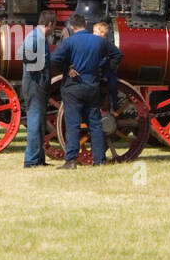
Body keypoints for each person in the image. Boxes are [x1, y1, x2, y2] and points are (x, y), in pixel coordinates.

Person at [50, 13, 123, 169]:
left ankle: (71, 161)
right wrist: (103, 69)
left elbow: (54, 58)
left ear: (71, 26)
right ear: (85, 24)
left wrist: (67, 69)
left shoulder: (69, 41)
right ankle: (99, 160)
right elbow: (117, 55)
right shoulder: (98, 41)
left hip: (73, 86)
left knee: (73, 124)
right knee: (95, 124)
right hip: (92, 85)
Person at [19, 10, 56, 167]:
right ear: (49, 24)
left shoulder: (40, 37)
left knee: (40, 122)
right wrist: (35, 68)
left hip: (38, 83)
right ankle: (31, 160)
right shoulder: (35, 37)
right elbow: (23, 53)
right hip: (34, 83)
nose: (54, 29)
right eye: (54, 25)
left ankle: (39, 158)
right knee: (35, 121)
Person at [92, 21, 120, 113]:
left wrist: (110, 66)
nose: (93, 34)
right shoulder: (97, 43)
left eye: (95, 32)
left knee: (111, 90)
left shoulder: (106, 44)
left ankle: (112, 108)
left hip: (106, 72)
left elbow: (118, 55)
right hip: (99, 72)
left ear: (102, 34)